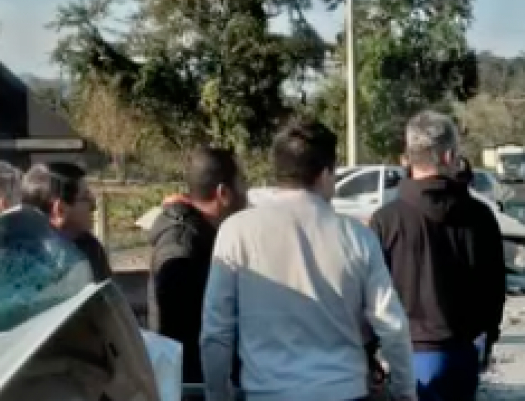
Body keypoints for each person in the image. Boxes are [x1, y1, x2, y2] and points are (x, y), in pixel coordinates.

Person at [200, 118, 416, 401]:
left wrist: (217, 393)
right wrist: (405, 392)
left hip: (267, 392)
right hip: (345, 390)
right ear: (325, 174)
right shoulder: (357, 237)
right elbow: (392, 327)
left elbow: (216, 332)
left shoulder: (237, 232)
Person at [369, 110, 507, 401]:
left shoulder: (385, 220)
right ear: (448, 157)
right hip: (462, 352)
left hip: (405, 355)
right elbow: (495, 288)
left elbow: (370, 295)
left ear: (408, 157)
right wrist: (487, 340)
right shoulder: (480, 217)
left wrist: (370, 353)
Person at [148, 147, 247, 388]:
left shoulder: (202, 235)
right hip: (193, 385)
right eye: (242, 183)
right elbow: (177, 331)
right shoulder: (182, 249)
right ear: (223, 193)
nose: (247, 194)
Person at [21, 161, 112, 282]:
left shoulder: (90, 247)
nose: (93, 206)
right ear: (59, 210)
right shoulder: (21, 261)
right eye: (86, 198)